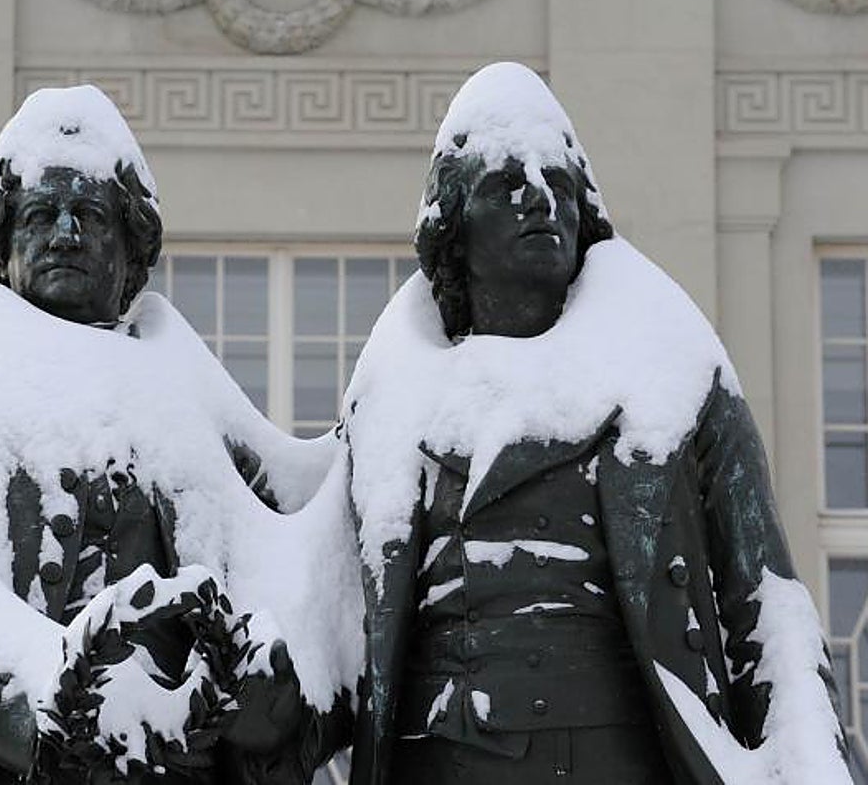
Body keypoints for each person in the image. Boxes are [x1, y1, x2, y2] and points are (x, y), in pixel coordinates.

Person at [342, 62, 849, 784]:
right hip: (439, 762)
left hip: (616, 759)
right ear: (454, 229)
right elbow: (322, 602)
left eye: (559, 182)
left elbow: (764, 599)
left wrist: (809, 761)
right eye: (505, 184)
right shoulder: (388, 394)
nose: (539, 199)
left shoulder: (673, 366)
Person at [0, 86, 352, 785]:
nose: (66, 235)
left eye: (89, 215)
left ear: (130, 243)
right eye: (41, 215)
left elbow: (303, 525)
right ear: (4, 240)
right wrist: (60, 710)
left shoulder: (176, 376)